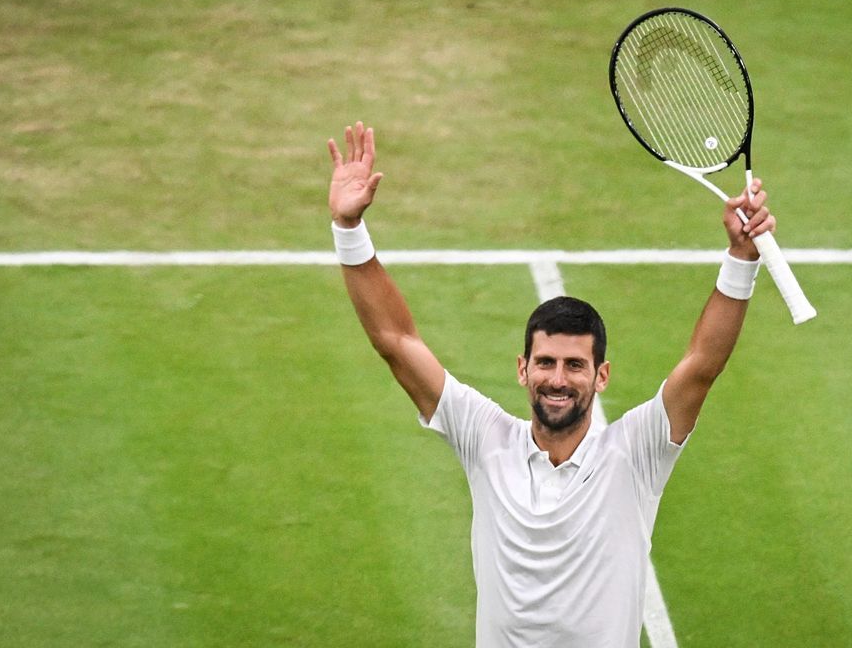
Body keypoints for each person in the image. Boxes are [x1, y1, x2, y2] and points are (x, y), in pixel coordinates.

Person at [328, 121, 776, 647]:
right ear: (523, 369)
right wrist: (348, 228)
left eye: (574, 365)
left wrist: (741, 259)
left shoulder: (635, 453)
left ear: (601, 376)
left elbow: (702, 364)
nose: (557, 380)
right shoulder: (484, 437)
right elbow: (395, 340)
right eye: (545, 363)